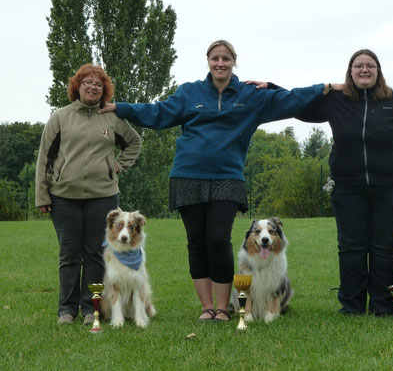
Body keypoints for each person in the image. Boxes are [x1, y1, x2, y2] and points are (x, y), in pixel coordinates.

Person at [98, 39, 333, 322]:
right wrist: (120, 108)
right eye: (215, 58)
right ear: (208, 61)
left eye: (225, 58)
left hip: (227, 177)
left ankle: (223, 308)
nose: (220, 63)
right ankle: (207, 308)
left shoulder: (251, 95)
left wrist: (325, 88)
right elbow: (157, 113)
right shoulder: (190, 92)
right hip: (187, 176)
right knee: (196, 242)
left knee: (219, 240)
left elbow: (292, 99)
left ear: (234, 62)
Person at [299, 49, 393, 316]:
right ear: (350, 71)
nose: (364, 70)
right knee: (351, 247)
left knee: (384, 248)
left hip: (390, 188)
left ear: (378, 71)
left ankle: (383, 305)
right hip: (347, 188)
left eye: (370, 66)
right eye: (359, 66)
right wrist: (323, 87)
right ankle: (352, 305)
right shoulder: (336, 101)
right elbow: (299, 106)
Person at [35, 64, 142, 325]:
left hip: (103, 197)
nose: (93, 87)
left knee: (95, 253)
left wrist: (116, 166)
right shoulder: (60, 118)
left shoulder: (112, 119)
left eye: (98, 84)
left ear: (104, 91)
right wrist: (43, 196)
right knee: (69, 254)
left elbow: (134, 142)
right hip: (63, 197)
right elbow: (45, 158)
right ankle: (66, 310)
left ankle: (89, 309)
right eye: (87, 83)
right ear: (77, 87)